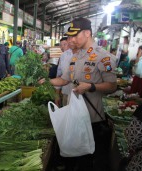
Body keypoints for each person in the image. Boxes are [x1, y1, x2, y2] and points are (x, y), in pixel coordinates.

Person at [39, 17, 117, 171]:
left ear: (87, 33)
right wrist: (46, 81)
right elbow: (64, 79)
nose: (72, 40)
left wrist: (91, 86)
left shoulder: (104, 57)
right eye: (70, 36)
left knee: (86, 162)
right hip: (74, 117)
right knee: (72, 158)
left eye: (75, 35)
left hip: (91, 120)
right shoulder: (76, 57)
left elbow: (112, 86)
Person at [56, 36, 79, 106]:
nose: (62, 47)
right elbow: (59, 74)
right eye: (61, 45)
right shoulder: (63, 56)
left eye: (64, 44)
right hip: (66, 92)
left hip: (79, 95)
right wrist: (57, 95)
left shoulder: (82, 54)